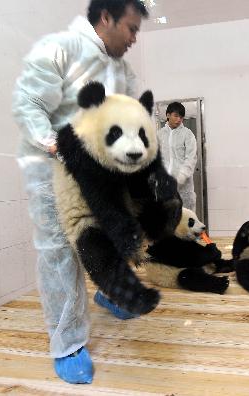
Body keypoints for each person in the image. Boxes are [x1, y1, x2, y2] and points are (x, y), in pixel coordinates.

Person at [12, 0, 149, 384]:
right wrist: (61, 145)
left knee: (111, 237)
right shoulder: (59, 49)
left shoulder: (123, 70)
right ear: (106, 18)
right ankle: (67, 343)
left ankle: (110, 293)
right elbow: (30, 104)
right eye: (131, 28)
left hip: (104, 173)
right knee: (60, 254)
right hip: (55, 171)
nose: (135, 38)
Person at [157, 102, 198, 211]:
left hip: (184, 187)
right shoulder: (159, 135)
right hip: (164, 186)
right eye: (176, 116)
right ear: (168, 115)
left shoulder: (187, 134)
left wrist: (180, 177)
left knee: (186, 221)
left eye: (181, 117)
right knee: (167, 221)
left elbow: (191, 158)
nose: (179, 120)